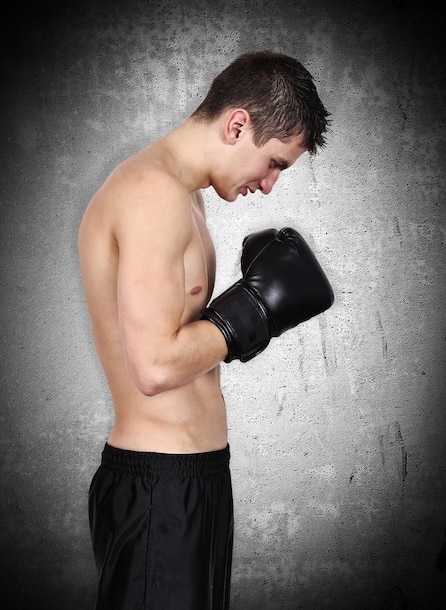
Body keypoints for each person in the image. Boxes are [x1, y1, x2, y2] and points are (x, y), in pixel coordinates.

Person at [78, 51, 333, 610]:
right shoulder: (152, 194)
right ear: (237, 124)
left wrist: (251, 312)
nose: (268, 186)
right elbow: (152, 367)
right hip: (159, 490)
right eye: (274, 164)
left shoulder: (183, 194)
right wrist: (257, 307)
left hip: (193, 482)